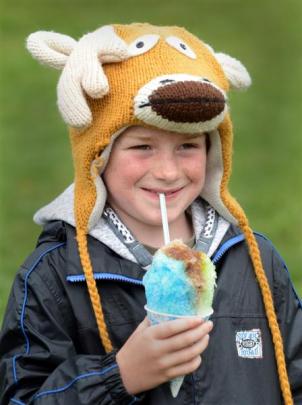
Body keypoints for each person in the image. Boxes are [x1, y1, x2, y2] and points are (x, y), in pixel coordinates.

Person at [0, 23, 301, 405]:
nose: (168, 172)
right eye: (142, 146)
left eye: (188, 146)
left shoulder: (254, 260)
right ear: (98, 156)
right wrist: (118, 375)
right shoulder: (56, 275)